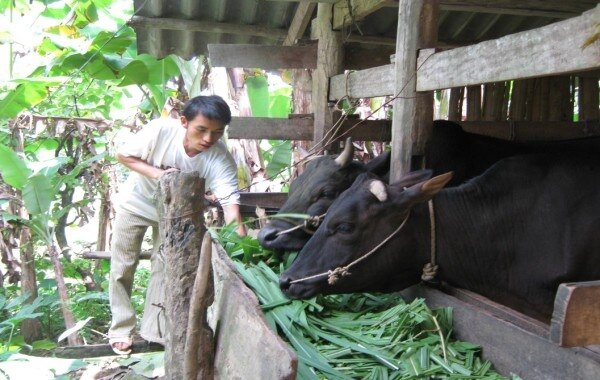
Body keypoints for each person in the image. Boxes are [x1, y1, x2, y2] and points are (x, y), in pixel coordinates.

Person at [108, 95, 246, 354]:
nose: (208, 139)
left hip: (177, 216)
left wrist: (242, 245)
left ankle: (155, 331)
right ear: (184, 121)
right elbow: (124, 155)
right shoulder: (160, 130)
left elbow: (230, 206)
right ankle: (121, 329)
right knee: (122, 267)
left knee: (166, 267)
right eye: (201, 130)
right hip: (135, 205)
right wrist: (162, 175)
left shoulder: (219, 158)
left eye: (216, 133)